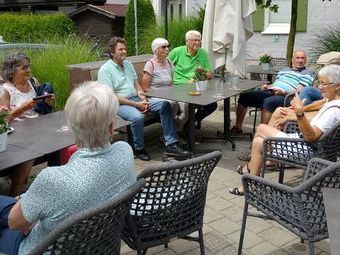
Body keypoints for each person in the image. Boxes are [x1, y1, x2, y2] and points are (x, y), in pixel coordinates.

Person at [0, 82, 137, 255]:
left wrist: (32, 212)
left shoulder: (53, 179)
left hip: (45, 247)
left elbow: (15, 223)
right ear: (111, 127)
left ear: (72, 128)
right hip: (101, 241)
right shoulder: (124, 151)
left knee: (8, 218)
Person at [229, 64, 340, 196]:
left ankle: (252, 168)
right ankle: (252, 183)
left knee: (261, 128)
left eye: (323, 83)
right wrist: (294, 116)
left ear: (337, 85)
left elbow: (311, 136)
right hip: (310, 146)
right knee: (259, 142)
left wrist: (299, 112)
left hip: (307, 150)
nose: (320, 87)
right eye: (319, 83)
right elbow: (317, 119)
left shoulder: (334, 110)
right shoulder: (333, 103)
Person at [98, 37, 190, 161]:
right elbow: (111, 96)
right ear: (112, 52)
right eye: (120, 49)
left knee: (165, 105)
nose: (124, 51)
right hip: (119, 104)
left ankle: (171, 144)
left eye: (125, 49)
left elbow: (137, 85)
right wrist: (136, 105)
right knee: (138, 117)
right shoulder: (105, 70)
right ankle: (139, 148)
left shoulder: (128, 64)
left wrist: (142, 97)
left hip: (136, 98)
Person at [0, 53, 52, 196]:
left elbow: (41, 105)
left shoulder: (33, 82)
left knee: (60, 138)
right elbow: (3, 121)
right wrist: (22, 108)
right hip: (18, 133)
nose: (28, 70)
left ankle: (54, 182)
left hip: (38, 127)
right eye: (24, 67)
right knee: (30, 151)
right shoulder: (6, 91)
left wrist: (47, 101)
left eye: (29, 66)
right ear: (12, 71)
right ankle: (15, 193)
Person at [231, 50, 318, 134]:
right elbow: (277, 83)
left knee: (268, 102)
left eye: (302, 58)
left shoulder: (308, 73)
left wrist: (283, 92)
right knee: (245, 96)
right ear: (292, 60)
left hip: (287, 97)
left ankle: (262, 134)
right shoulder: (285, 69)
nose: (300, 60)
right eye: (297, 58)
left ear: (305, 60)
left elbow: (299, 90)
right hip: (271, 91)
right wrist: (267, 86)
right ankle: (238, 127)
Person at [168, 30, 217, 130]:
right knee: (187, 107)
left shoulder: (203, 53)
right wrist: (170, 83)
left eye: (199, 40)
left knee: (212, 104)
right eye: (195, 40)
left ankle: (187, 125)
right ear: (187, 41)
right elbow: (165, 67)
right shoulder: (177, 52)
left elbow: (209, 74)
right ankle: (177, 130)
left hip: (196, 87)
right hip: (179, 87)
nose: (198, 43)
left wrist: (203, 72)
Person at [141, 37, 179, 119]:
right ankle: (172, 124)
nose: (167, 49)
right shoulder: (150, 64)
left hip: (168, 95)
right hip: (154, 96)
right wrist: (160, 94)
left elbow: (171, 83)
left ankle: (177, 123)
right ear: (155, 50)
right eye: (163, 47)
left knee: (183, 103)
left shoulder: (169, 63)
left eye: (168, 46)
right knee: (172, 103)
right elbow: (144, 87)